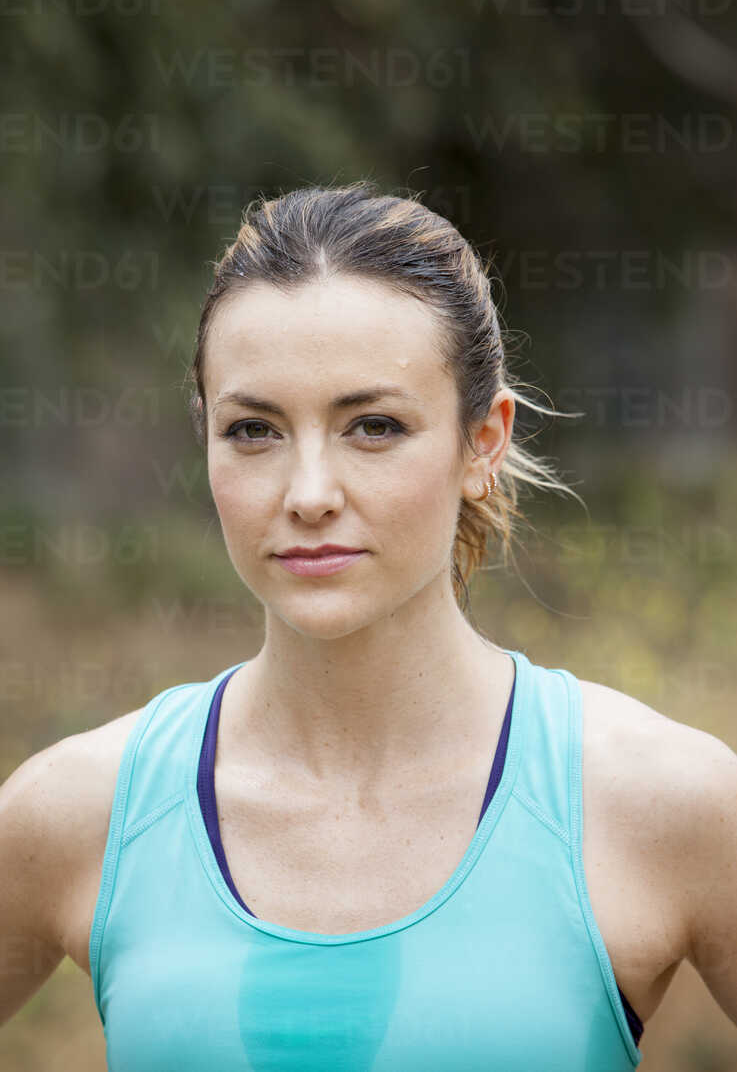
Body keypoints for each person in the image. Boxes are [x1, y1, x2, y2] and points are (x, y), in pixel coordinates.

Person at [2, 182, 737, 1070]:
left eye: (374, 426)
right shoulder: (80, 810)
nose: (309, 494)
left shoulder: (666, 804)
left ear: (483, 444)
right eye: (254, 430)